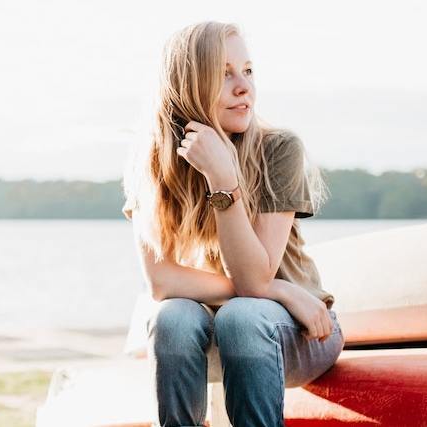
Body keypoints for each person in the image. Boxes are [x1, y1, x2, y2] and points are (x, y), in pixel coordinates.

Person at [120, 21, 343, 427]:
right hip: (210, 331)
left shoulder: (278, 148)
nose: (244, 87)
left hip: (299, 332)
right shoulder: (150, 161)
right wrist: (278, 289)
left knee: (242, 316)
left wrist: (223, 181)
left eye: (248, 70)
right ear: (187, 83)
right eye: (224, 74)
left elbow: (252, 282)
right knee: (172, 316)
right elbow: (161, 283)